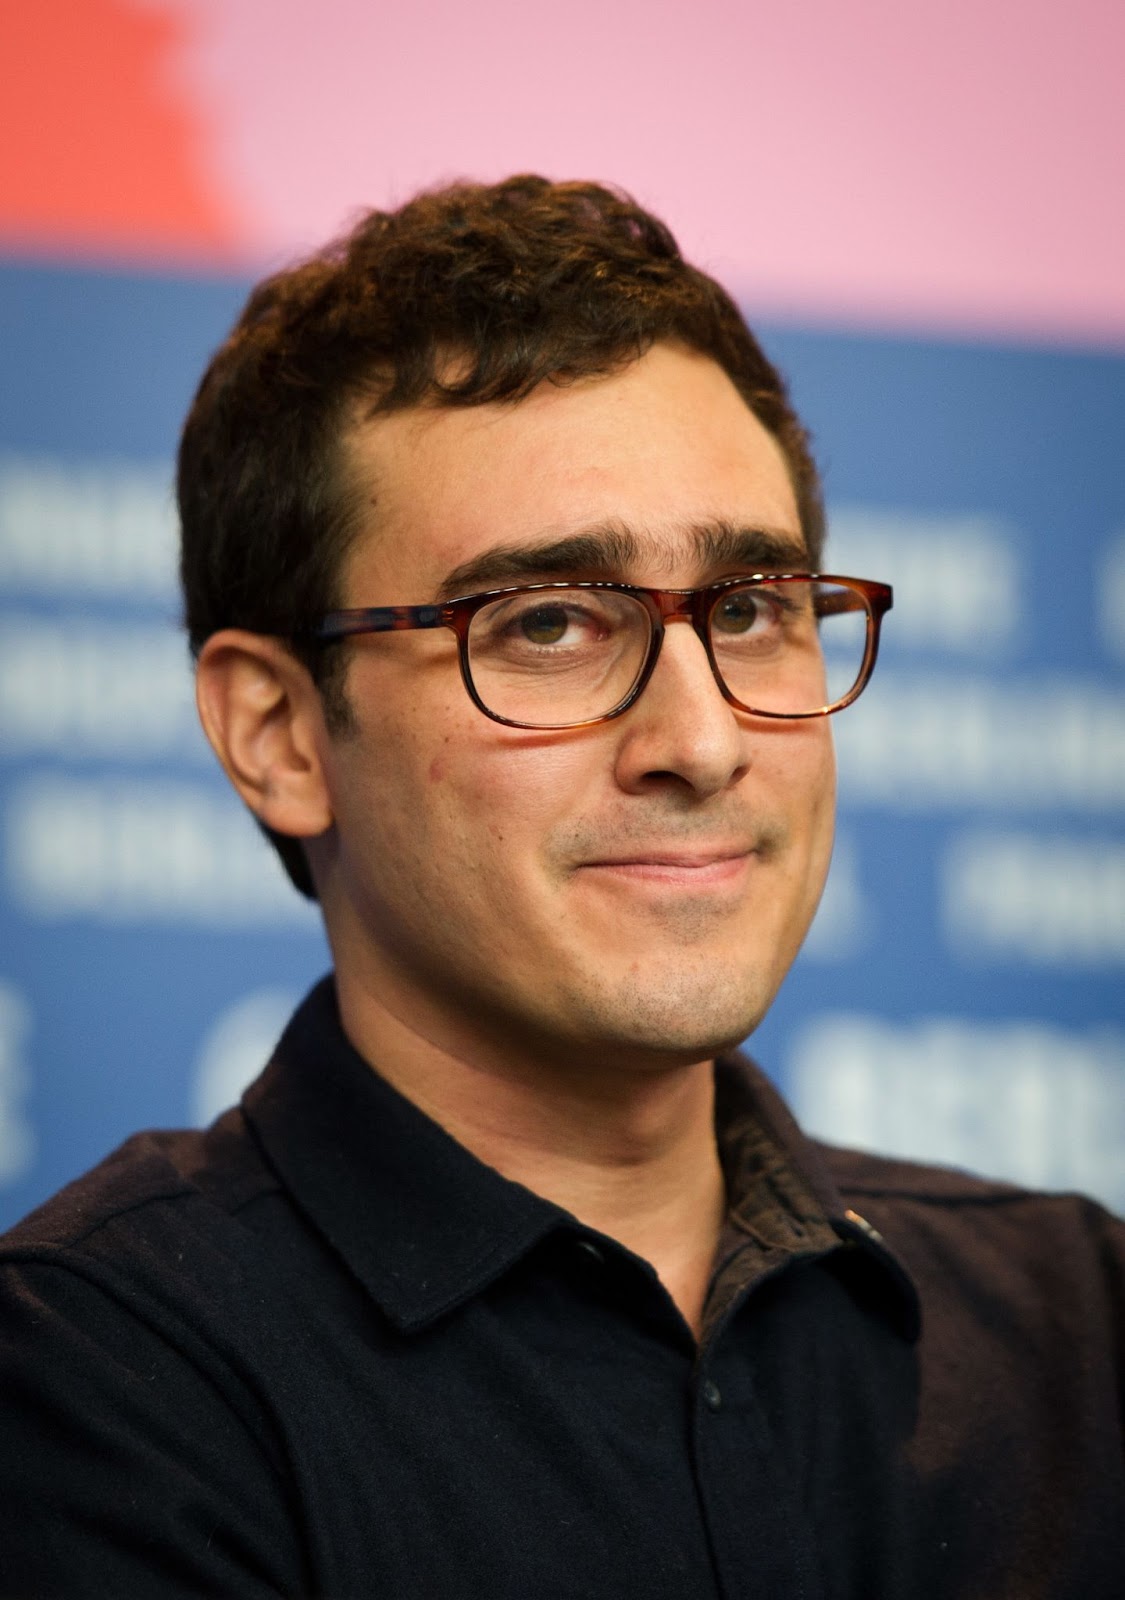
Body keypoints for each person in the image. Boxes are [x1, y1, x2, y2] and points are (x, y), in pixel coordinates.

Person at [0, 175, 1122, 1599]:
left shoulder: (1079, 1321)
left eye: (749, 610)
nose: (701, 742)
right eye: (545, 625)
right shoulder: (93, 1382)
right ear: (282, 735)